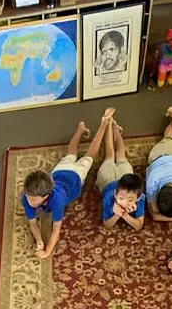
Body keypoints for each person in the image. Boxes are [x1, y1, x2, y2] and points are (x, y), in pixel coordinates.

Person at [22, 111, 112, 259]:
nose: (28, 200)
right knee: (70, 155)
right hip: (59, 172)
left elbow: (56, 229)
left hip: (76, 176)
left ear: (45, 196)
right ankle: (80, 129)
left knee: (89, 155)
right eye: (28, 196)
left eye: (33, 199)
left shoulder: (57, 201)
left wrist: (47, 252)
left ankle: (103, 125)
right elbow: (32, 223)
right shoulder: (27, 195)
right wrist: (39, 241)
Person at [96, 119, 144, 231]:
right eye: (121, 198)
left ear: (138, 197)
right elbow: (106, 225)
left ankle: (114, 128)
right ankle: (109, 125)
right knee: (111, 154)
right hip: (108, 181)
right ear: (115, 194)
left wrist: (122, 214)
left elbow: (138, 226)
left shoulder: (141, 198)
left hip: (117, 180)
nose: (125, 202)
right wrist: (116, 214)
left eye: (130, 199)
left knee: (119, 154)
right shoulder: (110, 198)